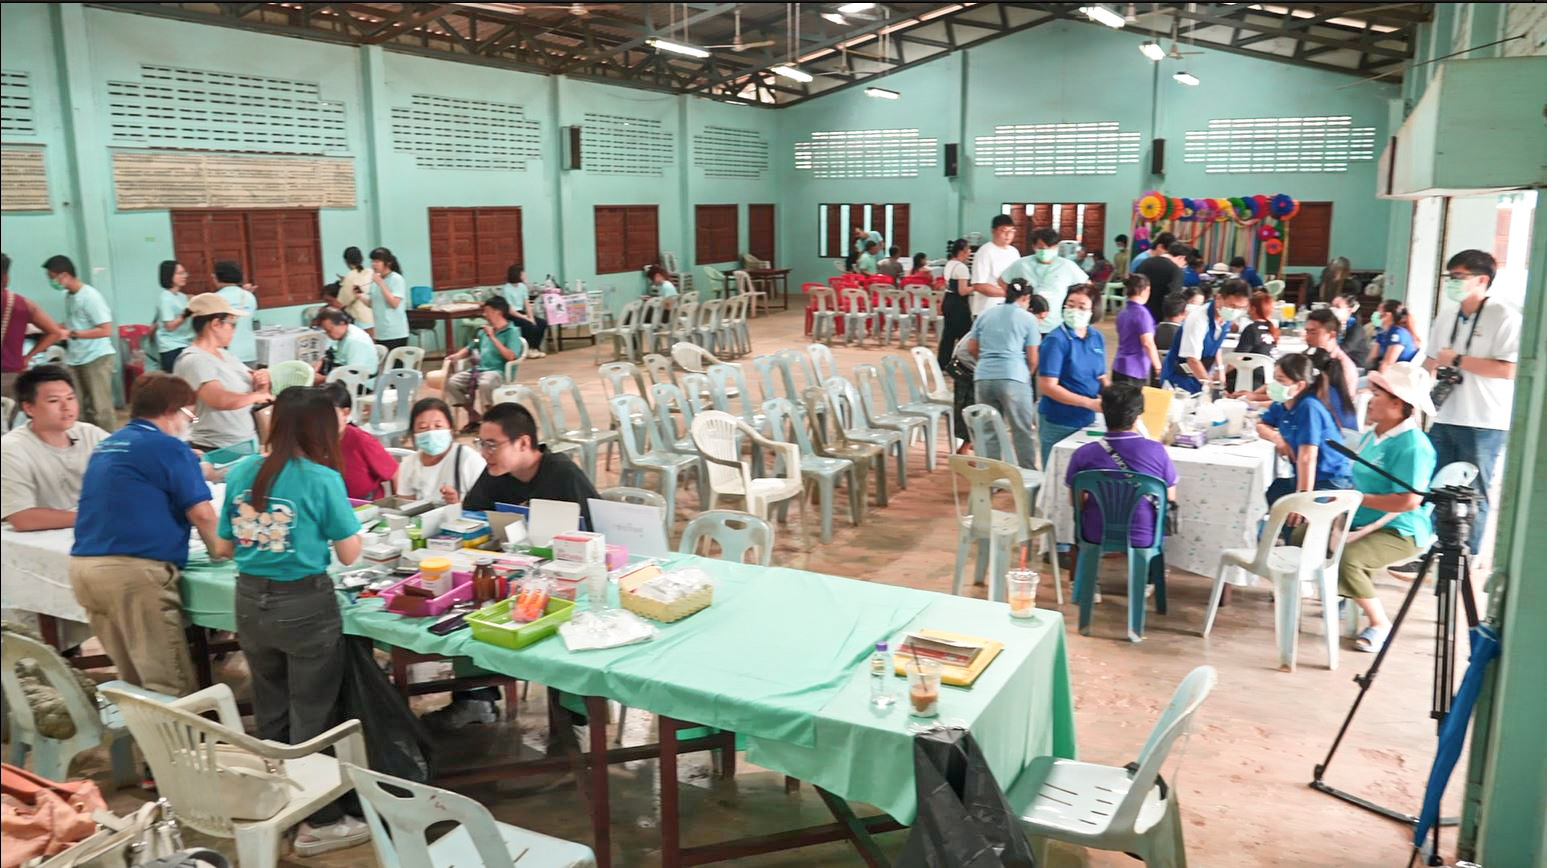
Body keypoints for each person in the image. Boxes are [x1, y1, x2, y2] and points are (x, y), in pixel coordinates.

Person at [217, 387, 369, 855]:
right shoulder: (321, 479)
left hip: (249, 601)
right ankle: (318, 820)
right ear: (320, 430)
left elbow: (223, 546)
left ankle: (278, 804)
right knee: (313, 713)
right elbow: (350, 553)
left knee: (271, 707)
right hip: (303, 605)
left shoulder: (242, 471)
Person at [70, 373, 231, 697]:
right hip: (133, 574)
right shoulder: (168, 447)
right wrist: (225, 551)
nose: (188, 423)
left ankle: (143, 733)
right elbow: (202, 514)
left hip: (85, 569)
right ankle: (180, 734)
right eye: (189, 415)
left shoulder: (109, 444)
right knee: (167, 683)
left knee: (134, 684)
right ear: (172, 410)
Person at [1324, 363, 1436, 652]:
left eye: (1376, 394)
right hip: (1361, 518)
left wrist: (1357, 499)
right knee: (1303, 537)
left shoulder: (1413, 446)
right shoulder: (1374, 434)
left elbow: (1410, 500)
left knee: (1350, 558)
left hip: (1399, 528)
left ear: (1398, 404)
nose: (1369, 400)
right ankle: (1348, 592)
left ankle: (1379, 623)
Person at [1418, 249, 1521, 560]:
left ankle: (1467, 554)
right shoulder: (1447, 316)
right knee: (1435, 486)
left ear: (1482, 280)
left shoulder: (1504, 316)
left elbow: (1509, 369)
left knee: (1473, 491)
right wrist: (1411, 393)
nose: (1452, 283)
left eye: (1459, 277)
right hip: (1445, 414)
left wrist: (1459, 360)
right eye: (1450, 277)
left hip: (1484, 419)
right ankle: (1432, 549)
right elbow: (1431, 361)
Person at [1065, 382, 1178, 548]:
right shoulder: (1157, 451)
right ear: (1138, 416)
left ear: (1103, 412)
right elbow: (1169, 497)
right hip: (1143, 536)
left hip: (1095, 533)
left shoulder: (1082, 454)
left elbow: (1076, 502)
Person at [1, 365, 109, 530]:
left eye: (70, 398)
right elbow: (22, 518)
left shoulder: (91, 434)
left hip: (88, 528)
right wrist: (95, 516)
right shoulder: (11, 448)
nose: (66, 407)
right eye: (54, 401)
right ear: (29, 408)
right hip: (34, 539)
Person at [464, 402, 601, 523]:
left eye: (492, 445)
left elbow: (596, 527)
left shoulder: (563, 474)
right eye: (481, 444)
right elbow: (471, 515)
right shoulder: (496, 471)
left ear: (523, 443)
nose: (484, 453)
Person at [173, 294, 272, 450]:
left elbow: (253, 391)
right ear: (216, 324)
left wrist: (262, 383)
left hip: (244, 439)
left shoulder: (225, 355)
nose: (233, 330)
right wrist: (256, 396)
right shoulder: (194, 360)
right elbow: (219, 399)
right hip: (217, 446)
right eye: (232, 324)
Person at [963, 279, 1041, 469]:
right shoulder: (1028, 319)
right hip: (1014, 377)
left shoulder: (985, 315)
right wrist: (1026, 374)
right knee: (1022, 429)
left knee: (987, 430)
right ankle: (1027, 475)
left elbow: (972, 347)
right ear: (1026, 298)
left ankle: (989, 475)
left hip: (984, 377)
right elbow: (1033, 358)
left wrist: (987, 362)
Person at [1256, 353, 1352, 505]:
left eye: (1281, 380)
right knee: (1264, 495)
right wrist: (1277, 438)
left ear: (1300, 385)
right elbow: (1261, 424)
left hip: (1329, 481)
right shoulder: (1282, 403)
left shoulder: (1309, 407)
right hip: (1304, 475)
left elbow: (1307, 458)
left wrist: (1301, 500)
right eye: (1274, 378)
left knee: (1289, 510)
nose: (1274, 385)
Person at [43, 255, 117, 431]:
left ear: (65, 275)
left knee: (100, 409)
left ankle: (107, 441)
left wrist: (72, 334)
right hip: (76, 358)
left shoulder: (90, 296)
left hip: (96, 358)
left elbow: (106, 330)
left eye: (52, 278)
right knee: (78, 409)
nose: (51, 282)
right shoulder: (68, 296)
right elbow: (72, 324)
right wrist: (51, 329)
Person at [1036, 285, 1108, 467]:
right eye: (1070, 304)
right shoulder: (1056, 340)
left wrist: (1113, 399)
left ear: (1093, 311)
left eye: (1082, 307)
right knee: (1056, 472)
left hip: (1087, 419)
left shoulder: (1096, 338)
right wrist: (1088, 403)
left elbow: (1101, 376)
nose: (1075, 311)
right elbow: (1048, 386)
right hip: (1060, 419)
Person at [445, 296, 523, 432]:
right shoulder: (483, 332)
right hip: (478, 370)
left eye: (487, 311)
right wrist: (457, 356)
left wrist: (493, 337)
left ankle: (490, 419)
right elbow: (470, 347)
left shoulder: (512, 332)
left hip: (498, 372)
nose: (484, 315)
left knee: (485, 383)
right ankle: (474, 415)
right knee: (452, 382)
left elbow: (511, 356)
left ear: (498, 312)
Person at [1160, 278, 1250, 393]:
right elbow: (1192, 359)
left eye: (1241, 308)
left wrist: (1220, 370)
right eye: (1232, 306)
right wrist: (1210, 387)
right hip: (1179, 377)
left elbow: (1216, 345)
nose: (1235, 311)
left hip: (1200, 374)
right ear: (1218, 298)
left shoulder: (1225, 318)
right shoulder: (1198, 319)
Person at [394, 397, 486, 504]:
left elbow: (484, 506)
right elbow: (405, 506)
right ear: (413, 432)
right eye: (423, 427)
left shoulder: (468, 459)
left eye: (438, 426)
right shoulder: (409, 464)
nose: (431, 432)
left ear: (451, 429)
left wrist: (457, 504)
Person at [1, 253, 65, 400]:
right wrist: (28, 357)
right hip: (10, 376)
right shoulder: (22, 304)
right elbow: (54, 332)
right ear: (5, 277)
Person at [322, 381, 397, 500]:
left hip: (366, 504)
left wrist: (397, 504)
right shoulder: (315, 440)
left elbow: (395, 473)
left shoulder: (361, 440)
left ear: (345, 413)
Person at [1000, 228, 1089, 315]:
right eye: (1042, 247)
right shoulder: (1022, 264)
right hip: (1026, 315)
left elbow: (1086, 285)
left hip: (1055, 317)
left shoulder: (1067, 265)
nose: (1046, 250)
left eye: (1050, 247)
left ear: (1057, 247)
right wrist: (1015, 297)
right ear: (1034, 247)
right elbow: (1002, 281)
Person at [1302, 309, 1359, 427]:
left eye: (1313, 333)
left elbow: (1337, 408)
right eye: (1307, 332)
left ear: (1331, 335)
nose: (1307, 338)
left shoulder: (1344, 367)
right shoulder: (1307, 357)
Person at [1228, 290, 1280, 392]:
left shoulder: (1251, 329)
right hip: (1267, 379)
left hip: (1249, 379)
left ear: (1252, 309)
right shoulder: (1274, 330)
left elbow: (1237, 358)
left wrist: (1219, 374)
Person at [1112, 274, 1160, 385]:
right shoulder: (1142, 314)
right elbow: (1148, 343)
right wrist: (1158, 366)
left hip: (1119, 365)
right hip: (1135, 369)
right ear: (1146, 290)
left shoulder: (1123, 312)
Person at [968, 214, 1021, 316]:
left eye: (1011, 231)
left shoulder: (1014, 252)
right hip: (988, 308)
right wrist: (1009, 293)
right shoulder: (985, 251)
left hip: (1010, 307)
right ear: (993, 231)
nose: (1008, 235)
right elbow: (979, 285)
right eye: (1004, 231)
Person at [211, 260, 258, 366]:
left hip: (225, 354)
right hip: (248, 351)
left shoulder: (214, 298)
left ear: (217, 277)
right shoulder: (249, 296)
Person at [936, 239, 973, 371]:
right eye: (968, 249)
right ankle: (963, 365)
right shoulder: (962, 268)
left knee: (948, 335)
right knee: (965, 336)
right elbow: (962, 291)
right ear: (962, 251)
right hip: (958, 304)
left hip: (948, 301)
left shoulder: (950, 264)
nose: (970, 252)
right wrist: (977, 287)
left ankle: (942, 363)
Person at [312, 308, 377, 381]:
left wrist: (323, 379)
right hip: (339, 372)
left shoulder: (355, 341)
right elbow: (324, 354)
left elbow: (353, 374)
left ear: (342, 323)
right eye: (326, 331)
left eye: (329, 331)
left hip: (359, 382)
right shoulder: (340, 332)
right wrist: (314, 371)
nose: (328, 335)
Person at [154, 260, 195, 373]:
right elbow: (169, 326)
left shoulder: (182, 296)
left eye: (185, 273)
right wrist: (186, 314)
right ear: (169, 276)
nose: (184, 276)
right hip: (172, 346)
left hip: (186, 343)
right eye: (180, 273)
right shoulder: (165, 298)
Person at [500, 264, 548, 358]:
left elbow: (527, 304)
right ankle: (527, 349)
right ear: (517, 274)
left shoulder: (522, 287)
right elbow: (510, 310)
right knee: (529, 325)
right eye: (522, 273)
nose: (524, 275)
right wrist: (526, 318)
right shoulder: (506, 289)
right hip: (512, 315)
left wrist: (531, 317)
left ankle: (535, 348)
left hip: (522, 312)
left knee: (542, 323)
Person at [368, 247, 410, 350]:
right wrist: (359, 296)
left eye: (377, 261)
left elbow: (394, 303)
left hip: (395, 333)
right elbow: (372, 303)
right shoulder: (375, 281)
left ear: (388, 263)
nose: (374, 264)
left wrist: (381, 284)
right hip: (380, 332)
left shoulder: (396, 279)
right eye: (372, 261)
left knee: (395, 360)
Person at [1136, 241, 1187, 322]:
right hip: (1160, 317)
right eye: (1184, 264)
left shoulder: (1145, 262)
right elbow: (1174, 297)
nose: (1183, 267)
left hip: (1139, 311)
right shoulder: (1176, 270)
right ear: (1181, 258)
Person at [1370, 299, 1420, 372]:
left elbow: (1388, 363)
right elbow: (1372, 358)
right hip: (1386, 373)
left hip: (1398, 374)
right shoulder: (1383, 332)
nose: (1376, 314)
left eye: (1379, 311)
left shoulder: (1397, 333)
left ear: (1388, 315)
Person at [335, 246, 375, 333]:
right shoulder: (370, 272)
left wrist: (344, 283)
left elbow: (342, 301)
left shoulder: (350, 276)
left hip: (361, 318)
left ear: (346, 261)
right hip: (375, 315)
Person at [1330, 292, 1370, 372]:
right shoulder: (1333, 326)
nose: (1333, 309)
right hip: (1338, 366)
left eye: (1337, 307)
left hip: (1356, 368)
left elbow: (1344, 349)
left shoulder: (1357, 329)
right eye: (1332, 306)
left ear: (1349, 310)